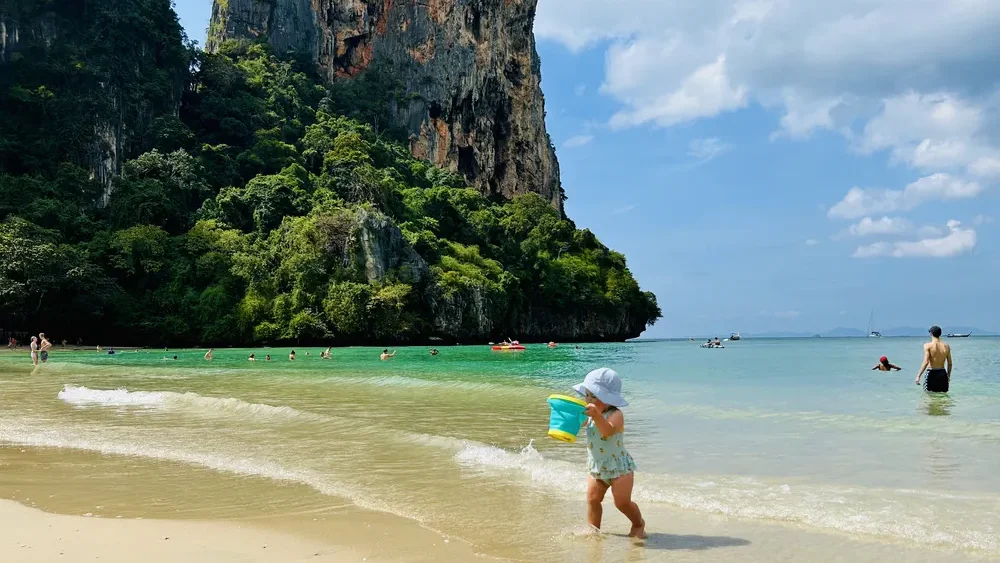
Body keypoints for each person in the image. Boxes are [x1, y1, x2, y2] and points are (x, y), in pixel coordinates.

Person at [573, 368, 646, 539]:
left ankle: (638, 524)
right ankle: (594, 531)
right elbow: (576, 426)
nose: (588, 400)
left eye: (594, 396)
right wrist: (569, 416)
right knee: (592, 499)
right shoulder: (590, 415)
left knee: (621, 502)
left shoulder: (616, 414)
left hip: (619, 468)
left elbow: (607, 432)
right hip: (597, 466)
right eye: (587, 395)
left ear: (608, 398)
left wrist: (596, 416)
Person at [916, 325, 952, 393]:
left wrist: (918, 376)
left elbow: (926, 362)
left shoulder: (927, 346)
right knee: (943, 395)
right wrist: (948, 376)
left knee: (929, 395)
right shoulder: (946, 346)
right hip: (942, 373)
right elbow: (950, 363)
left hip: (931, 373)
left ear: (931, 334)